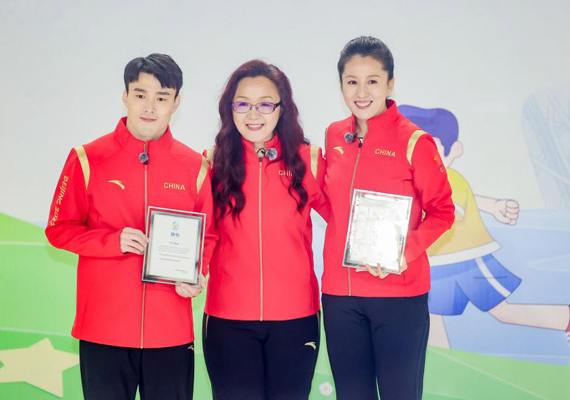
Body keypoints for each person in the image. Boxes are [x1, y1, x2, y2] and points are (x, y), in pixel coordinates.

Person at [45, 53, 216, 400]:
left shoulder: (195, 167)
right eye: (140, 95)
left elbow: (208, 235)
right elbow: (58, 229)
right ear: (125, 96)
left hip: (170, 333)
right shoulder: (87, 158)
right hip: (103, 329)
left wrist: (198, 273)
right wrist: (112, 241)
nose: (150, 107)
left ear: (176, 103)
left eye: (162, 97)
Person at [321, 36, 455, 400]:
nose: (361, 92)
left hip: (399, 296)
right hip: (340, 297)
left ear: (390, 84)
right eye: (352, 81)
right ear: (341, 84)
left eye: (373, 81)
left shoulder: (415, 142)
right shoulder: (334, 135)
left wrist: (402, 252)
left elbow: (443, 212)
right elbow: (330, 204)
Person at [202, 60, 329, 400]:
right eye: (242, 104)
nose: (253, 114)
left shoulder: (309, 161)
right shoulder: (212, 164)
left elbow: (345, 221)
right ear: (229, 109)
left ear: (281, 108)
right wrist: (191, 270)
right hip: (228, 318)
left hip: (295, 318)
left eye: (265, 104)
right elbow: (201, 235)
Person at [399, 105, 570, 348]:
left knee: (502, 311)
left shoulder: (445, 179)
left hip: (467, 259)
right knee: (432, 313)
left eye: (428, 148)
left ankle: (565, 318)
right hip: (438, 263)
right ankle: (442, 358)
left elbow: (448, 210)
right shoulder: (419, 183)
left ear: (454, 150)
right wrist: (494, 206)